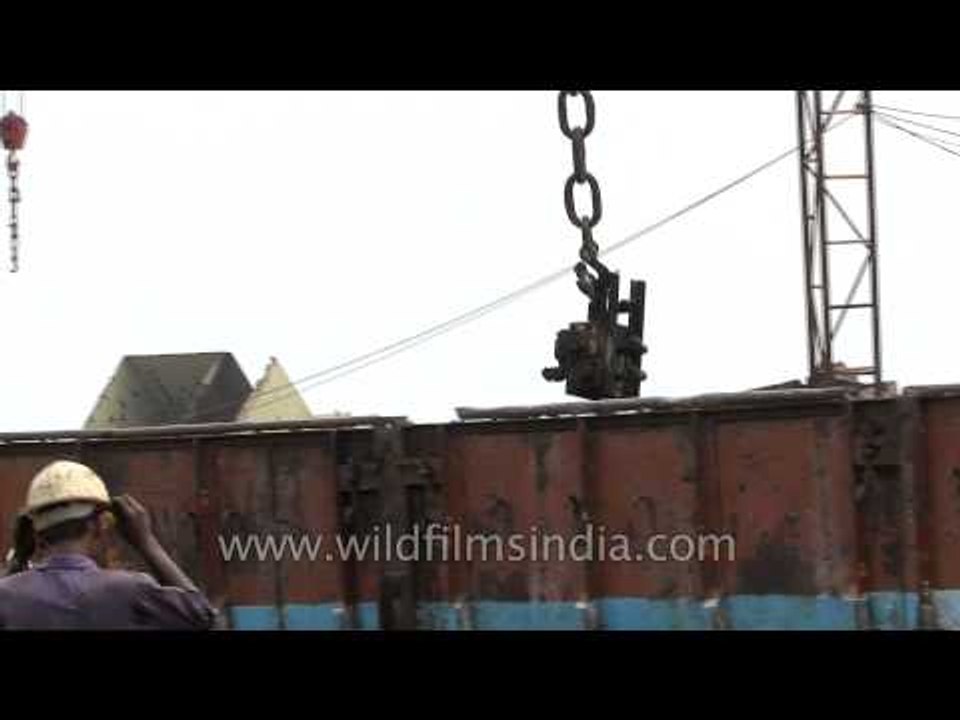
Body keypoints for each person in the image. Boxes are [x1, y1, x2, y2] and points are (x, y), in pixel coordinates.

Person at [0, 459, 217, 630]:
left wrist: (19, 557)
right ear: (100, 525)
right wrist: (146, 542)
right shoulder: (129, 590)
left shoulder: (7, 594)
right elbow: (201, 616)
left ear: (36, 534)